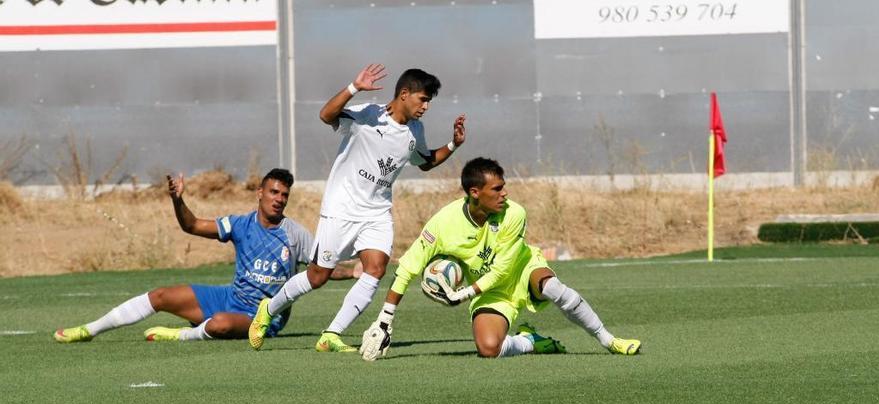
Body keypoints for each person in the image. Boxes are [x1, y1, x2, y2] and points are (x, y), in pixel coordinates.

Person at [247, 63, 466, 353]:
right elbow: (326, 116)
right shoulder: (369, 115)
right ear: (404, 94)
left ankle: (331, 335)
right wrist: (354, 88)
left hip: (376, 213)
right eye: (423, 99)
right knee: (318, 276)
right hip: (341, 208)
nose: (426, 106)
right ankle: (268, 309)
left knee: (376, 268)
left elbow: (424, 161)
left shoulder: (415, 131)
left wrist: (453, 144)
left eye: (429, 101)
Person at [359, 157, 642, 361]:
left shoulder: (514, 213)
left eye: (503, 187)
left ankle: (608, 339)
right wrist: (384, 320)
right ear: (475, 193)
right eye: (496, 189)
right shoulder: (443, 224)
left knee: (552, 288)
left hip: (522, 270)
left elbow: (504, 267)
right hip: (490, 292)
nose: (504, 194)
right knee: (488, 349)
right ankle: (529, 341)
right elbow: (408, 268)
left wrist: (465, 293)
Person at [54, 169, 357, 344]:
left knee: (219, 324)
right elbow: (191, 225)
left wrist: (353, 272)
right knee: (160, 295)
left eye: (284, 195)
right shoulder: (240, 224)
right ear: (260, 193)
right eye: (274, 192)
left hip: (264, 317)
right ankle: (89, 330)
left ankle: (182, 335)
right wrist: (178, 199)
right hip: (228, 298)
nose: (279, 199)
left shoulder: (294, 233)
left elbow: (322, 269)